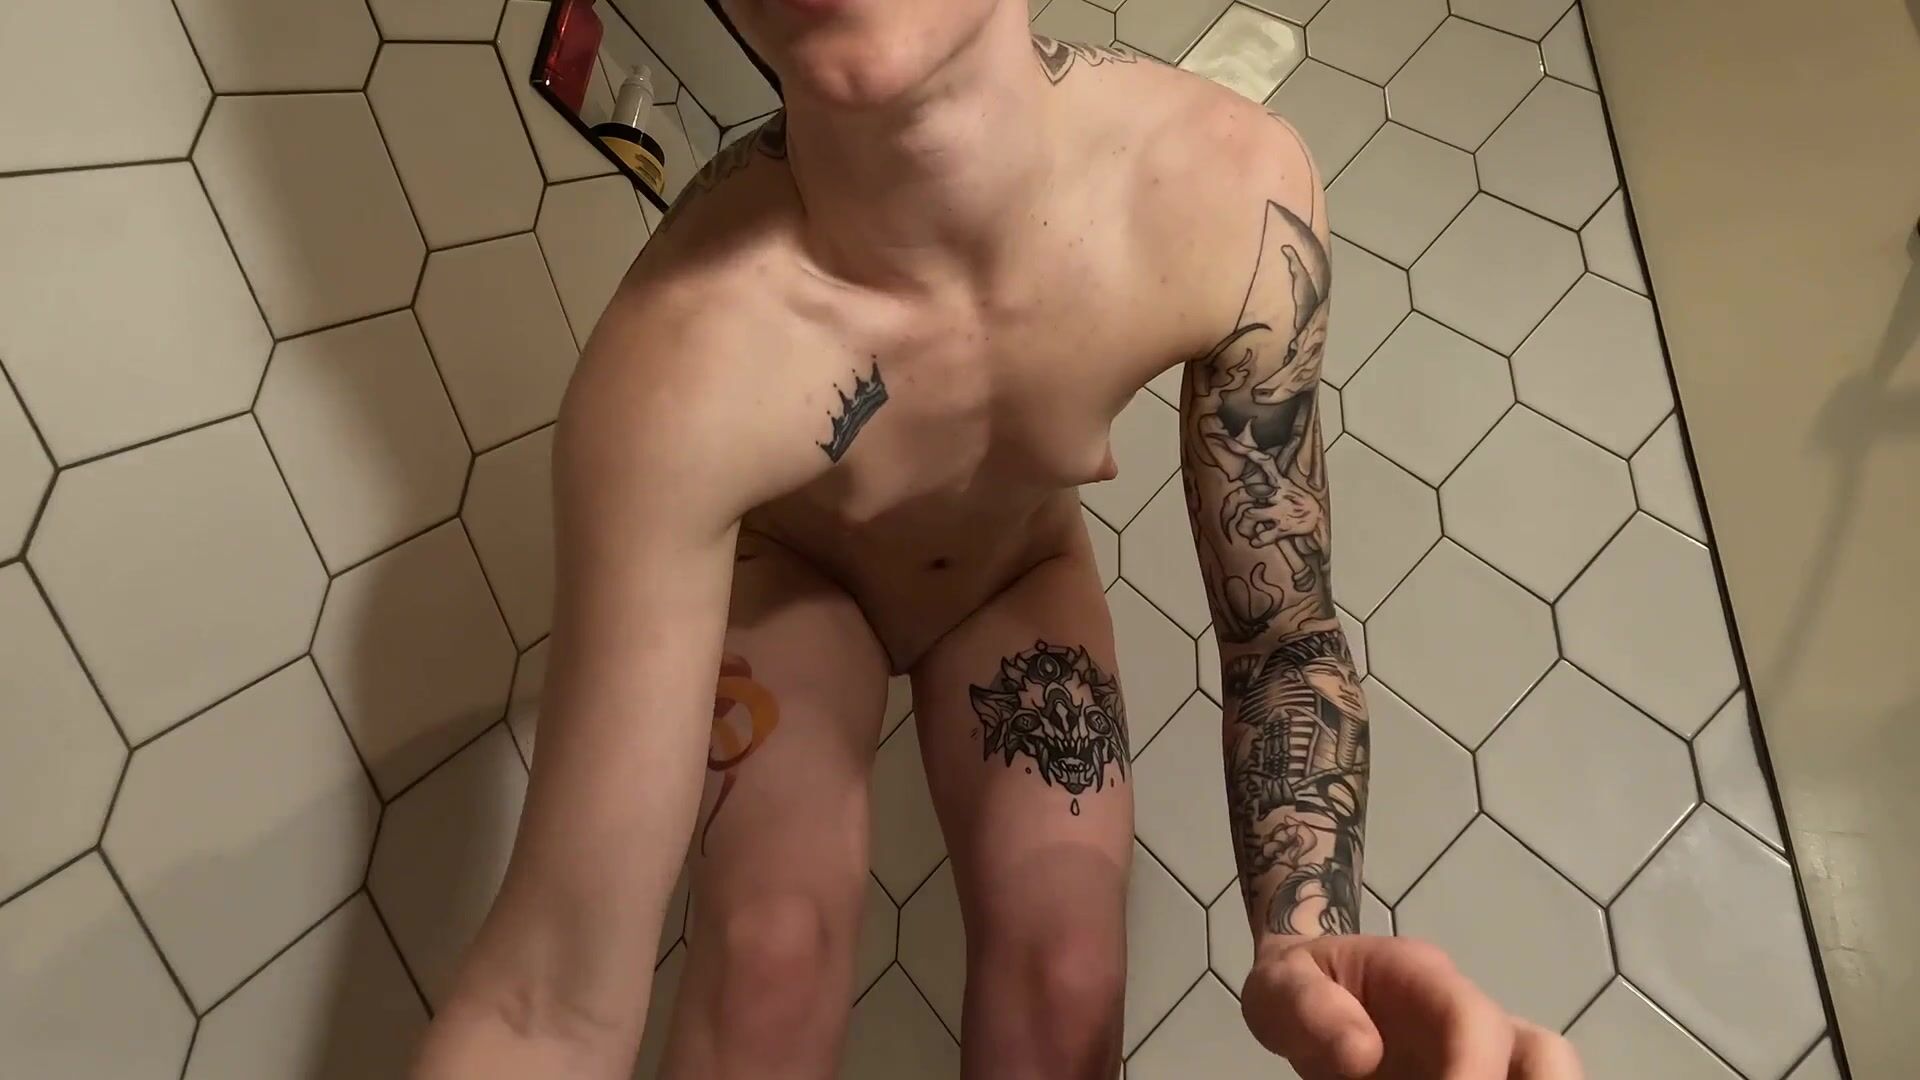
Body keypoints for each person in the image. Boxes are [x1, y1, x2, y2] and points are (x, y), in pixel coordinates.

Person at [414, 1, 1582, 1077]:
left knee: (1067, 982)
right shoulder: (674, 366)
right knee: (772, 955)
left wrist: (1303, 948)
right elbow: (544, 1006)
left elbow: (1281, 633)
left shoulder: (1230, 196)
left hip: (1010, 569)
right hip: (793, 573)